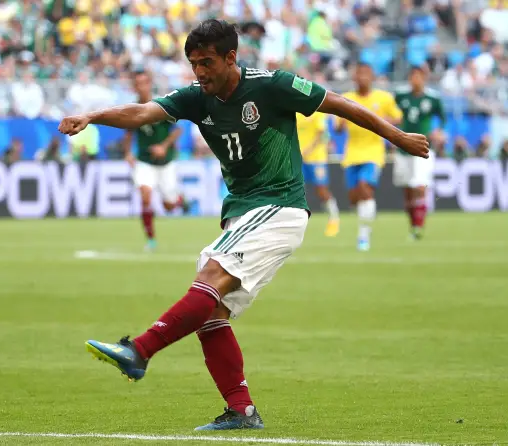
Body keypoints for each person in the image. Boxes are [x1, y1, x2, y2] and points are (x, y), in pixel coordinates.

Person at [58, 19, 428, 431]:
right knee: (211, 311)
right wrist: (91, 116)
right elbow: (142, 112)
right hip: (243, 212)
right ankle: (241, 410)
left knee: (210, 279)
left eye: (207, 62)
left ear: (231, 57)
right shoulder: (198, 97)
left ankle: (140, 351)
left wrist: (398, 137)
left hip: (279, 205)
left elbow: (340, 103)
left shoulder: (272, 85)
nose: (199, 72)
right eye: (193, 63)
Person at [337, 63, 403, 252]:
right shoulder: (347, 99)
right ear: (354, 77)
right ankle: (366, 218)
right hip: (352, 153)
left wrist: (380, 122)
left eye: (366, 74)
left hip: (373, 152)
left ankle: (363, 235)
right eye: (359, 74)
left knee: (365, 189)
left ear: (372, 77)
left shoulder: (383, 98)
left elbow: (398, 117)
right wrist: (341, 124)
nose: (363, 78)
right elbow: (337, 127)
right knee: (353, 198)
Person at [123, 70, 190, 252]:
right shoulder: (132, 108)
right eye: (138, 83)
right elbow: (128, 133)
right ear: (134, 86)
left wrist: (164, 146)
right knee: (145, 196)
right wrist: (128, 153)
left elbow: (177, 130)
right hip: (144, 161)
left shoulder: (161, 105)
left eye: (145, 82)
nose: (142, 86)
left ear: (149, 83)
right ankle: (151, 240)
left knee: (168, 206)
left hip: (166, 162)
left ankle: (178, 200)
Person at [394, 66, 445, 240]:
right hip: (402, 149)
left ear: (424, 79)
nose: (415, 80)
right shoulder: (400, 96)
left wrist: (439, 131)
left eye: (419, 77)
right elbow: (393, 114)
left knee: (420, 186)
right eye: (413, 76)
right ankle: (413, 226)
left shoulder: (432, 98)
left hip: (423, 148)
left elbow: (443, 118)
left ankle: (419, 226)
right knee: (407, 190)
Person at [296, 110, 339, 236]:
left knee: (321, 189)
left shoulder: (316, 113)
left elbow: (322, 134)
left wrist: (308, 150)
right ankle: (297, 222)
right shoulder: (295, 112)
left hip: (316, 159)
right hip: (298, 159)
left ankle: (334, 218)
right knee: (297, 190)